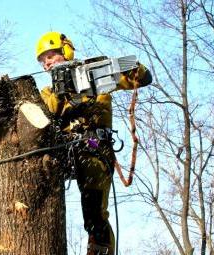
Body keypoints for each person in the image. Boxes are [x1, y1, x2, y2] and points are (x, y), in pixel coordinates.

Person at [36, 31, 152, 255]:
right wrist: (62, 92)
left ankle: (100, 249)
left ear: (66, 51)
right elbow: (49, 114)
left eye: (49, 56)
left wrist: (114, 66)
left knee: (94, 211)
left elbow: (143, 77)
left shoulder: (94, 78)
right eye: (42, 61)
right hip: (62, 153)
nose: (46, 64)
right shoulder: (48, 92)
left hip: (93, 150)